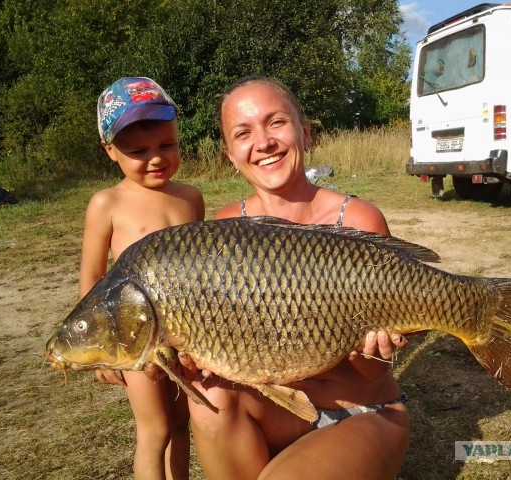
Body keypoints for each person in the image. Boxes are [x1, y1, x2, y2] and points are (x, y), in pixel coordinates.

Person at [181, 76, 410, 480]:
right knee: (209, 396)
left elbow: (375, 371)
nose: (264, 142)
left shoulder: (358, 219)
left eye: (276, 123)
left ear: (305, 134)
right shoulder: (224, 229)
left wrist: (377, 349)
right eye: (243, 133)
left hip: (358, 412)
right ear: (230, 154)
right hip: (274, 411)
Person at [80, 77, 205, 480]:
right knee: (155, 430)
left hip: (185, 331)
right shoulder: (107, 204)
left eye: (166, 146)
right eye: (138, 151)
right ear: (110, 151)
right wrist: (102, 348)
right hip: (137, 336)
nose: (155, 159)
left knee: (183, 423)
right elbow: (93, 277)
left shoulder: (190, 197)